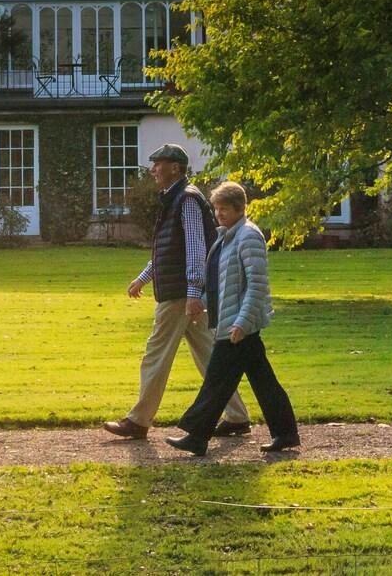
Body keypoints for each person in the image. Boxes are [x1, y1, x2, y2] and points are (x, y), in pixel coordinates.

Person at [101, 144, 250, 440]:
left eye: (160, 163)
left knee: (155, 354)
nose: (154, 169)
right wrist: (144, 277)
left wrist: (194, 292)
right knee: (210, 357)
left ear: (175, 168)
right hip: (185, 291)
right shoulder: (176, 199)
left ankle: (139, 420)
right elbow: (171, 249)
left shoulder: (187, 200)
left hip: (181, 293)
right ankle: (237, 416)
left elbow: (195, 249)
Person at [167, 181, 300, 457]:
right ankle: (286, 432)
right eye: (216, 209)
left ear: (240, 208)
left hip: (237, 326)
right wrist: (203, 303)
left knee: (216, 380)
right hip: (234, 322)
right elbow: (222, 283)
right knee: (263, 381)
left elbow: (257, 285)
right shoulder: (228, 236)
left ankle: (197, 435)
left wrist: (242, 321)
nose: (219, 214)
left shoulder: (248, 237)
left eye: (224, 209)